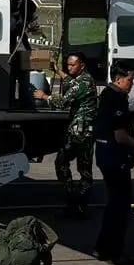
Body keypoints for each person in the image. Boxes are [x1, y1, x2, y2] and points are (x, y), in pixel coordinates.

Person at [92, 64, 134, 263]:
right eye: (129, 80)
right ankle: (114, 251)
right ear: (119, 79)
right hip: (115, 158)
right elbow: (119, 135)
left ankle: (102, 247)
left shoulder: (107, 96)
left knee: (113, 205)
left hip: (105, 155)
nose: (131, 84)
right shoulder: (116, 99)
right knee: (120, 207)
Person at [38, 52, 98, 217]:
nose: (69, 67)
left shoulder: (83, 83)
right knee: (78, 166)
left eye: (73, 65)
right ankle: (78, 201)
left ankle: (76, 200)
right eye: (68, 65)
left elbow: (63, 101)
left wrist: (44, 96)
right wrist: (59, 72)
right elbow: (73, 82)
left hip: (80, 133)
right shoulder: (83, 80)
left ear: (82, 65)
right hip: (83, 132)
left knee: (68, 165)